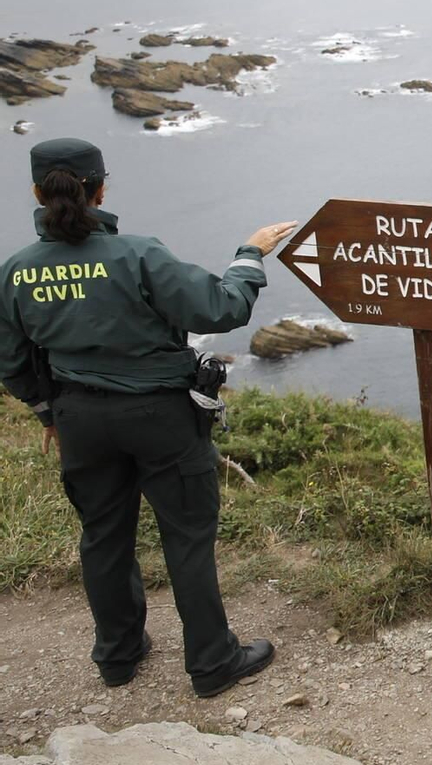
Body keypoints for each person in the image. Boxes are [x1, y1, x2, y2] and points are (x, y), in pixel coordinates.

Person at [0, 138, 296, 697]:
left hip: (79, 417)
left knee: (103, 536)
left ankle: (118, 656)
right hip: (160, 415)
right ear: (100, 188)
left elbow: (11, 364)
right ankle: (211, 664)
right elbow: (220, 308)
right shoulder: (136, 254)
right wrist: (249, 254)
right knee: (185, 537)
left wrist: (48, 413)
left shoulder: (15, 271)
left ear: (38, 192)